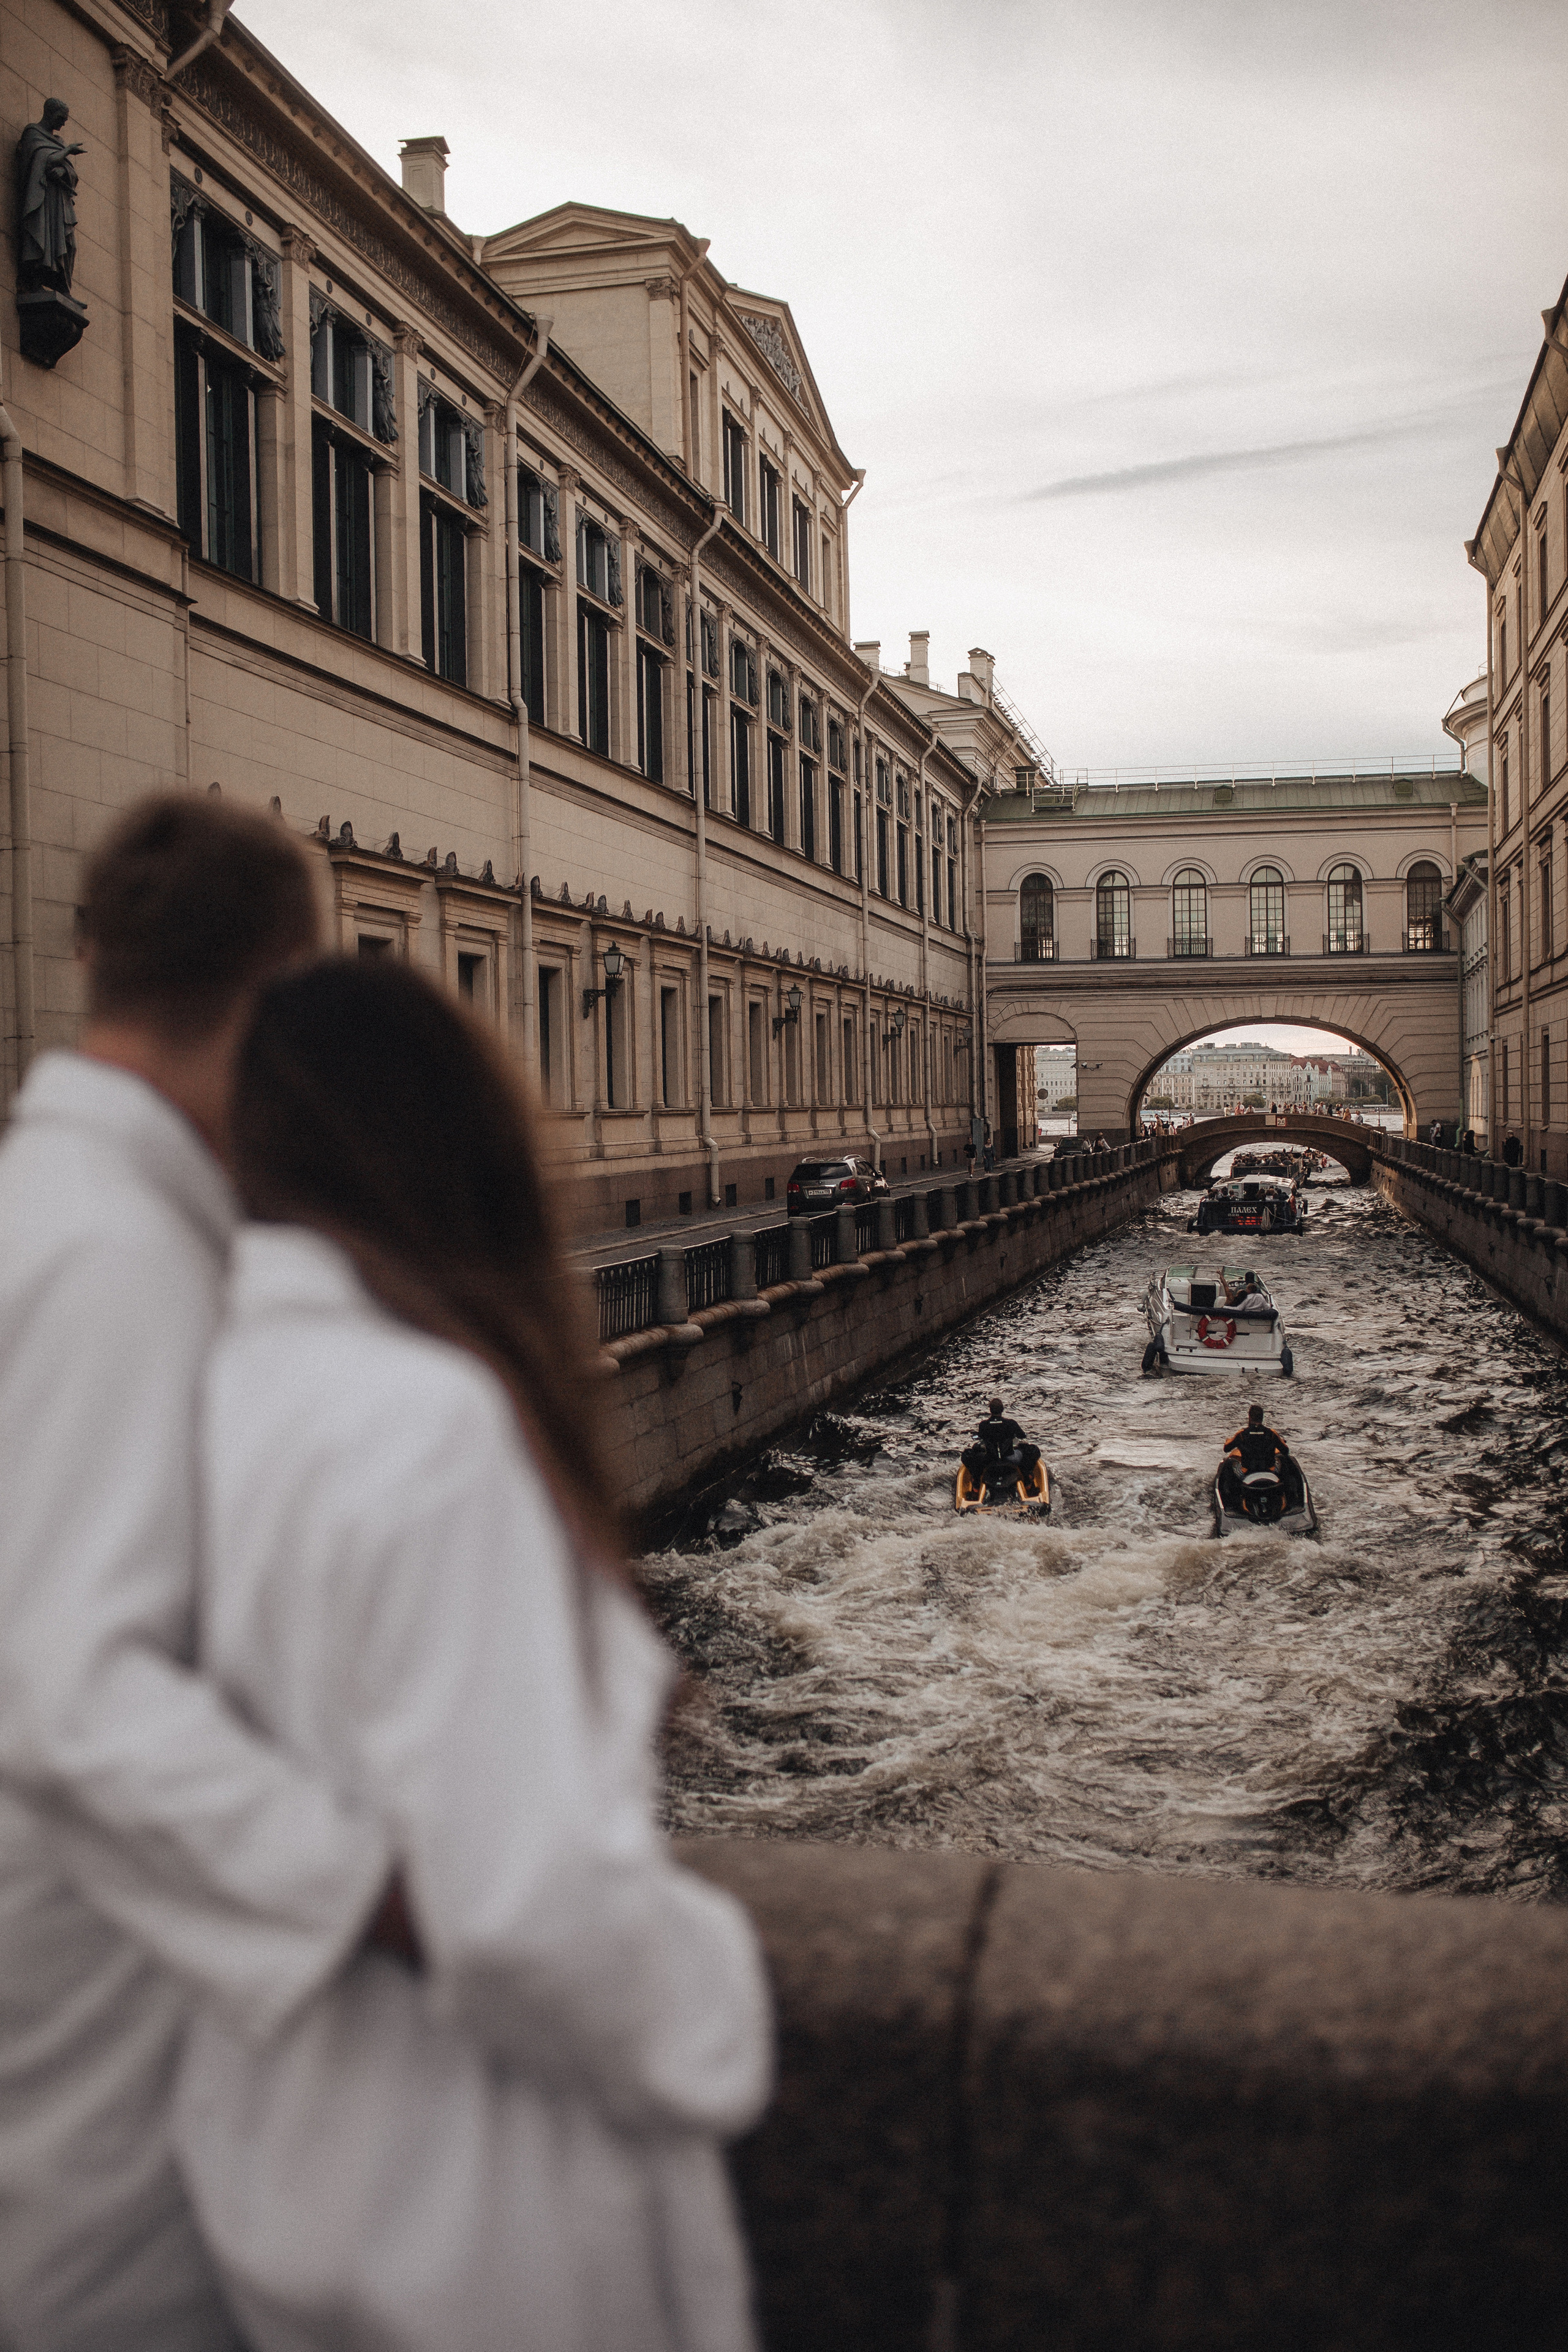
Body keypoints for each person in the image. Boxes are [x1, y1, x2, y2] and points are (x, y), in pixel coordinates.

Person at [174, 957, 771, 2351]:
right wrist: (710, 2002)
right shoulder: (425, 1420)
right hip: (477, 2222)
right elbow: (521, 1911)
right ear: (462, 1149)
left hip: (272, 2171)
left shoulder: (185, 1390)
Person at [0, 795, 403, 2350]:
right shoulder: (116, 1255)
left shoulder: (59, 1207)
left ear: (95, 957)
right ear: (288, 989)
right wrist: (386, 1894)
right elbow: (79, 1689)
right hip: (98, 2056)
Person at [962, 1396, 1041, 1493]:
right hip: (1010, 1458)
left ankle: (976, 1481)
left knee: (971, 1454)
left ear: (990, 1410)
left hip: (989, 1460)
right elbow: (1022, 1435)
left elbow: (980, 1438)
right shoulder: (1011, 1423)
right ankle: (1027, 1478)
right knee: (1030, 1450)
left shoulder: (983, 1425)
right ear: (1002, 1409)